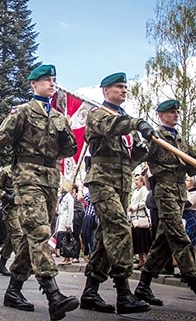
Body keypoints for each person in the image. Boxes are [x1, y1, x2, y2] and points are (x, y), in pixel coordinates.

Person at [0, 64, 80, 321]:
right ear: (33, 85)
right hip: (27, 177)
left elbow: (69, 150)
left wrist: (67, 127)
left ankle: (13, 290)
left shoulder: (59, 117)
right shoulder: (23, 112)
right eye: (46, 80)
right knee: (40, 232)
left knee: (29, 238)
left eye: (54, 80)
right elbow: (0, 140)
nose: (52, 83)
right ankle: (53, 294)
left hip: (51, 180)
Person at [134, 99, 196, 313]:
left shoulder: (181, 139)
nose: (175, 115)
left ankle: (143, 286)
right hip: (164, 192)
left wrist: (193, 164)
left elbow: (194, 167)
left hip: (179, 194)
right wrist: (141, 144)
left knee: (163, 242)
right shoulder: (155, 137)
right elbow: (139, 157)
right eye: (171, 112)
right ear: (160, 115)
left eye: (176, 112)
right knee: (178, 237)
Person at [80, 72, 152, 315]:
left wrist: (140, 153)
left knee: (104, 237)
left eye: (125, 87)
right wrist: (136, 123)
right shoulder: (98, 114)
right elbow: (111, 128)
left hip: (122, 183)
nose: (123, 90)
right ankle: (124, 293)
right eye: (119, 87)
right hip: (101, 182)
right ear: (105, 91)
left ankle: (90, 293)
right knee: (120, 229)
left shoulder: (124, 120)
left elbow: (128, 162)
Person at [129, 175, 151, 270]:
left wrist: (133, 207)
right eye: (135, 180)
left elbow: (144, 202)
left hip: (141, 217)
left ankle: (146, 260)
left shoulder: (144, 190)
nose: (136, 182)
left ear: (142, 181)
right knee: (137, 241)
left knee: (144, 241)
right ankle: (140, 259)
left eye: (137, 180)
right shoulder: (135, 191)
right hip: (134, 218)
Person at [55, 183, 75, 266]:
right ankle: (65, 257)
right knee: (62, 240)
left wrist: (69, 223)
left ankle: (68, 257)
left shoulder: (69, 198)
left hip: (66, 221)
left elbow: (71, 211)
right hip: (62, 219)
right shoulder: (63, 197)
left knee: (67, 240)